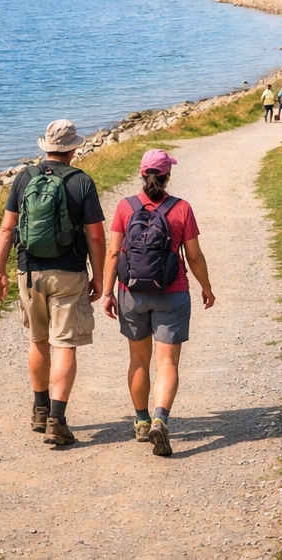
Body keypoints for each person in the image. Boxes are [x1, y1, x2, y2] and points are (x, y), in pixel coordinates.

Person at [0, 120, 107, 446]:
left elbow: (6, 229)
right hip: (69, 273)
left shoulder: (24, 177)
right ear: (73, 149)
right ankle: (57, 420)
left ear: (45, 147)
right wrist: (98, 276)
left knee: (37, 340)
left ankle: (39, 411)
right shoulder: (82, 181)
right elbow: (96, 236)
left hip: (28, 272)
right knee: (64, 344)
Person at [102, 150, 215, 456]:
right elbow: (193, 255)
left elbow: (114, 254)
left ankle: (140, 422)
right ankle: (160, 419)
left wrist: (108, 292)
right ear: (167, 176)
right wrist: (206, 288)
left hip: (131, 292)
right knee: (167, 363)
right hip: (172, 292)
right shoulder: (181, 208)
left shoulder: (125, 207)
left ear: (142, 174)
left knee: (138, 360)